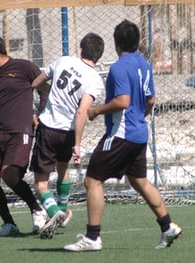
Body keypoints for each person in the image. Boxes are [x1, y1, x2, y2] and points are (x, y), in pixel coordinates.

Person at [64, 20, 182, 251]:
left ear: (116, 43)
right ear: (137, 42)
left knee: (93, 180)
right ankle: (168, 226)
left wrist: (96, 110)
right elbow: (151, 100)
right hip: (138, 133)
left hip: (120, 134)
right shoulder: (145, 65)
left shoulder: (119, 67)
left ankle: (92, 237)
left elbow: (122, 101)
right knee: (140, 181)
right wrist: (139, 117)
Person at [30, 32, 105, 239]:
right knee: (63, 167)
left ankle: (55, 212)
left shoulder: (63, 61)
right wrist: (77, 145)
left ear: (81, 48)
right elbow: (82, 112)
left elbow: (37, 82)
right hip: (69, 132)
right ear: (98, 56)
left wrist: (44, 89)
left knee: (40, 184)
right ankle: (63, 206)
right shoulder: (96, 80)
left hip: (48, 127)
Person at [0, 33, 49, 236]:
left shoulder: (24, 68)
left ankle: (37, 209)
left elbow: (46, 90)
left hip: (19, 133)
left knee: (9, 175)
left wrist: (41, 115)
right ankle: (9, 223)